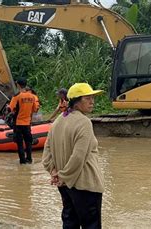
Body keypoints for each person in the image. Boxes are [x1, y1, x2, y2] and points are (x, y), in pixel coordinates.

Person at [42, 83, 104, 228]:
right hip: (85, 185)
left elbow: (47, 152)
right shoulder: (84, 122)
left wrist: (54, 172)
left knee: (70, 222)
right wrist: (62, 176)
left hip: (65, 186)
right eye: (87, 98)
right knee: (91, 225)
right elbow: (78, 157)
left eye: (93, 98)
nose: (92, 102)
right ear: (76, 102)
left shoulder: (57, 121)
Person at [8, 78, 39, 164]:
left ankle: (22, 161)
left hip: (18, 124)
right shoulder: (32, 97)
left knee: (20, 144)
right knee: (28, 143)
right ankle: (29, 159)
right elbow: (35, 109)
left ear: (18, 85)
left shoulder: (17, 96)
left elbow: (10, 109)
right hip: (27, 123)